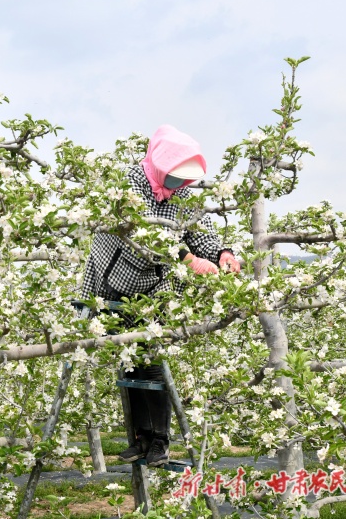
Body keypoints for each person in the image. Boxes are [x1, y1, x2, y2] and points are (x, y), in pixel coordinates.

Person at [79, 124, 241, 467]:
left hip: (154, 289)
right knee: (129, 362)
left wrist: (221, 253)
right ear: (159, 165)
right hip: (111, 280)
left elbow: (200, 233)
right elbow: (141, 230)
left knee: (150, 363)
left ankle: (160, 441)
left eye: (184, 181)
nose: (178, 187)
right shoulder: (129, 183)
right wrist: (186, 259)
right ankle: (141, 437)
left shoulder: (181, 194)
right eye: (174, 179)